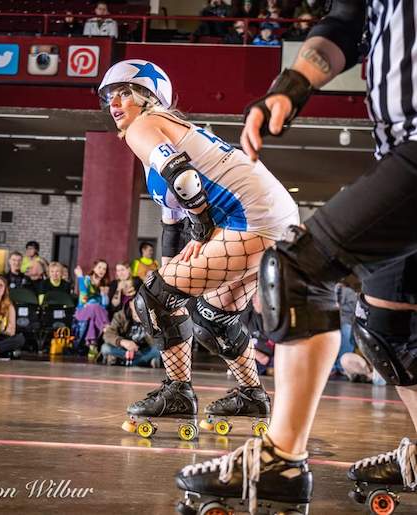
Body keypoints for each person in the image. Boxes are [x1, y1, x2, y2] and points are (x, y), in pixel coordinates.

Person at [176, 1, 417, 512]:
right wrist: (292, 87)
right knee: (390, 330)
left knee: (297, 269)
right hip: (396, 149)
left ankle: (281, 459)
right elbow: (347, 24)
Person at [98, 59, 298, 431]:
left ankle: (177, 391)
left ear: (148, 98)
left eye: (125, 92)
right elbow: (171, 231)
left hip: (251, 216)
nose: (115, 102)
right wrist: (175, 272)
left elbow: (183, 177)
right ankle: (251, 395)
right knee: (212, 318)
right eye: (110, 95)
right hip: (269, 215)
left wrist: (201, 230)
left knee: (153, 298)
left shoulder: (145, 125)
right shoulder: (165, 130)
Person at [100, 299, 161, 367]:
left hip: (142, 351)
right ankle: (138, 363)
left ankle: (127, 363)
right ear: (130, 304)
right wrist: (122, 342)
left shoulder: (150, 317)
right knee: (105, 348)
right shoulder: (120, 316)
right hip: (124, 351)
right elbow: (108, 334)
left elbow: (155, 342)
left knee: (157, 351)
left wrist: (146, 324)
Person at [74, 260, 110, 358]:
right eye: (99, 267)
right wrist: (80, 277)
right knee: (93, 306)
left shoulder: (104, 285)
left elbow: (104, 306)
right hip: (83, 311)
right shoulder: (86, 279)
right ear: (94, 268)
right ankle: (107, 328)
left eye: (104, 269)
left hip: (96, 314)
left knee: (93, 317)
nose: (102, 270)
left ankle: (92, 346)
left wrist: (104, 295)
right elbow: (83, 297)